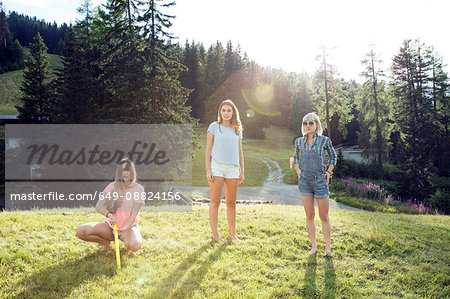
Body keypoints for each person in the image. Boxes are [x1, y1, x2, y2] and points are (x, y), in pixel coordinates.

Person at [76, 157, 145, 252]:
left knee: (135, 246)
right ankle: (105, 242)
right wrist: (109, 215)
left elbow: (134, 214)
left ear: (132, 171)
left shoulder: (138, 189)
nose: (125, 173)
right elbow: (99, 206)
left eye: (127, 170)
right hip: (110, 228)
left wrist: (123, 229)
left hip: (128, 228)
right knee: (81, 231)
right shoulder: (112, 186)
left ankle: (128, 239)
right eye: (122, 170)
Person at [293, 112, 337, 255]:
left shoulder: (324, 141)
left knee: (323, 216)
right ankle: (314, 246)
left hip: (320, 181)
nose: (307, 126)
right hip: (305, 182)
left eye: (311, 123)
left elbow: (333, 156)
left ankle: (328, 247)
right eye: (305, 123)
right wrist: (298, 171)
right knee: (309, 214)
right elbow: (296, 157)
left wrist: (329, 172)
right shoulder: (299, 141)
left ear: (317, 125)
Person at [205, 99, 245, 242]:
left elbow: (240, 152)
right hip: (217, 167)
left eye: (229, 110)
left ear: (233, 112)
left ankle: (233, 235)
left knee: (231, 203)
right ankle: (216, 235)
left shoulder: (237, 129)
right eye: (224, 110)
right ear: (220, 112)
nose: (226, 113)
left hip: (233, 169)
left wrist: (242, 170)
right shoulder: (214, 127)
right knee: (215, 201)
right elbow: (208, 149)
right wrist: (208, 169)